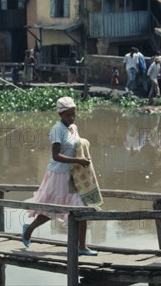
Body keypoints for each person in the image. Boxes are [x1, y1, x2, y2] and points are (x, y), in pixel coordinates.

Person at [21, 97, 98, 256]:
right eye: (68, 115)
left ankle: (81, 246)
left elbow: (76, 146)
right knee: (52, 209)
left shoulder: (73, 128)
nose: (71, 118)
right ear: (61, 115)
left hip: (73, 174)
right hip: (57, 174)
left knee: (82, 208)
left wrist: (82, 156)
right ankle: (28, 229)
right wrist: (78, 160)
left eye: (73, 114)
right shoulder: (57, 130)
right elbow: (56, 155)